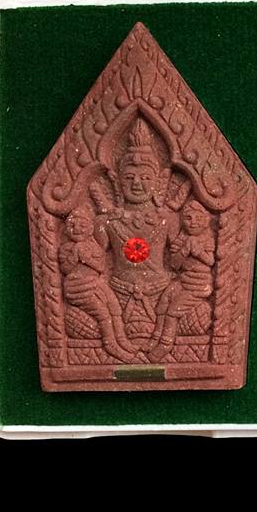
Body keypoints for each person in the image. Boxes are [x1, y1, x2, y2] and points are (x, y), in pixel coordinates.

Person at [95, 118, 178, 342]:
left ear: (158, 182)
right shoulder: (106, 222)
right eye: (129, 177)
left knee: (202, 315)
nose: (137, 184)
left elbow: (180, 262)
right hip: (117, 295)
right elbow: (95, 263)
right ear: (118, 181)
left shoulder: (168, 219)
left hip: (161, 294)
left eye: (145, 178)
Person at [59, 206, 137, 362]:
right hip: (77, 288)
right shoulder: (66, 247)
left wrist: (85, 258)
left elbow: (100, 267)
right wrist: (74, 256)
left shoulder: (93, 246)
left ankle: (121, 340)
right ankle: (110, 345)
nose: (77, 229)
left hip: (95, 283)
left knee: (114, 306)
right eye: (72, 225)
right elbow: (65, 269)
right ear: (66, 229)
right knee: (102, 313)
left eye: (82, 225)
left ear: (90, 228)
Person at [147, 199, 215, 361]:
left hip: (198, 285)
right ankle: (155, 339)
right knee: (163, 301)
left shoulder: (207, 238)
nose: (193, 223)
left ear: (206, 220)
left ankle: (166, 344)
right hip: (183, 281)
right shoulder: (181, 238)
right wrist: (184, 251)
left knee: (172, 311)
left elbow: (210, 261)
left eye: (198, 218)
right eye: (188, 218)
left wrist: (197, 251)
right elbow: (174, 264)